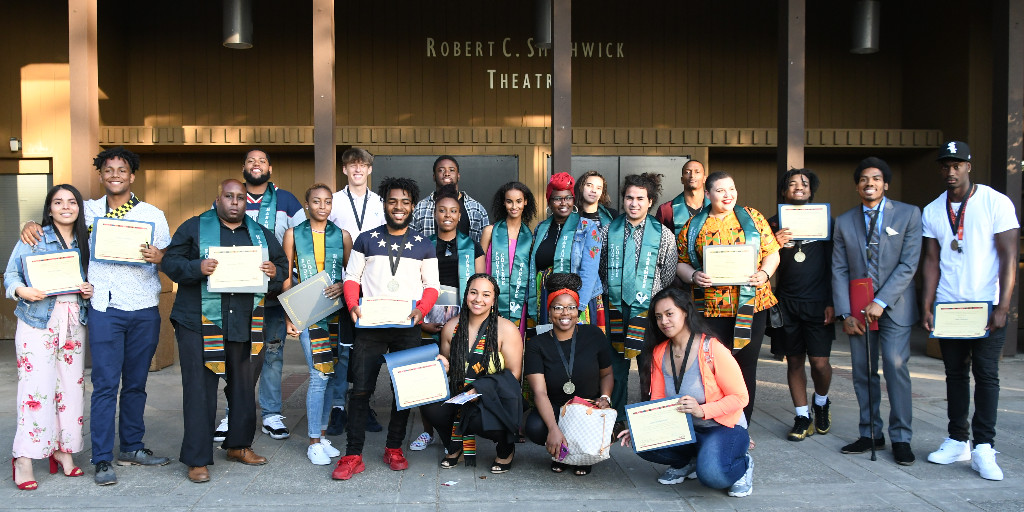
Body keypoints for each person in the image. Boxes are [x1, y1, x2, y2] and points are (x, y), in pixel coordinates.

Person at [19, 147, 172, 485]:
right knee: (104, 385)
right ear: (101, 176)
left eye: (122, 170)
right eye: (109, 170)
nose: (115, 174)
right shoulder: (87, 211)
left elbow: (168, 257)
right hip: (104, 308)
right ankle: (102, 458)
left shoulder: (152, 214)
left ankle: (131, 446)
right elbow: (53, 225)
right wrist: (30, 222)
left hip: (144, 307)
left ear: (132, 176)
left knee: (136, 384)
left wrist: (160, 256)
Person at [162, 179, 288, 483]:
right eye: (229, 197)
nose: (235, 202)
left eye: (240, 198)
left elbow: (282, 266)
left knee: (243, 387)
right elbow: (170, 261)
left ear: (246, 202)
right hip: (198, 322)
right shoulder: (193, 227)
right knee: (199, 389)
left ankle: (238, 445)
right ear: (218, 199)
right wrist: (197, 268)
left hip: (245, 320)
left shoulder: (259, 233)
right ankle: (197, 457)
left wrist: (275, 272)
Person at [921, 141, 1018, 480]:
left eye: (957, 164)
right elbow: (932, 260)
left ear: (968, 166)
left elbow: (1008, 256)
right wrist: (927, 303)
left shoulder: (995, 202)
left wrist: (1004, 305)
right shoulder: (933, 209)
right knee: (955, 374)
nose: (951, 171)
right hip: (949, 304)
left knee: (987, 374)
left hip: (987, 303)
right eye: (946, 165)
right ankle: (957, 438)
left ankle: (984, 447)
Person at [333, 177, 441, 481]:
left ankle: (394, 447)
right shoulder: (366, 239)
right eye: (393, 201)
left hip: (406, 326)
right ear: (384, 203)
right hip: (370, 325)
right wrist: (353, 305)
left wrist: (421, 310)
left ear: (413, 206)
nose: (399, 207)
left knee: (403, 391)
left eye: (405, 202)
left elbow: (431, 285)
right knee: (361, 391)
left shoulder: (423, 243)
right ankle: (353, 454)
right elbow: (352, 277)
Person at [617, 287, 753, 497]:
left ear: (685, 312)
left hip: (721, 427)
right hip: (683, 430)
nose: (664, 321)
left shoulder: (711, 348)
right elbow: (659, 400)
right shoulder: (659, 352)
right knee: (641, 442)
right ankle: (689, 461)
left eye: (670, 314)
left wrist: (702, 410)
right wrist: (639, 426)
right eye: (659, 316)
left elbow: (741, 396)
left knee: (713, 476)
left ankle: (743, 464)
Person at [832, 157, 921, 466]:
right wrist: (845, 313)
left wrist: (881, 301)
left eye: (876, 178)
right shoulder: (844, 221)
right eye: (864, 179)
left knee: (896, 369)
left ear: (886, 185)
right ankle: (870, 433)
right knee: (863, 372)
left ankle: (901, 438)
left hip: (895, 308)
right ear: (857, 186)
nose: (870, 183)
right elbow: (839, 270)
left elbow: (909, 264)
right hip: (859, 312)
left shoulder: (909, 214)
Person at [5, 185, 93, 490]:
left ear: (79, 208)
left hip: (73, 321)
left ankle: (63, 450)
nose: (65, 207)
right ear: (49, 207)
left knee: (70, 388)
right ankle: (24, 458)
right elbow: (10, 275)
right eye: (58, 202)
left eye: (72, 202)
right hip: (37, 320)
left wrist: (88, 289)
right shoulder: (35, 236)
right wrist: (21, 290)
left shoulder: (87, 239)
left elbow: (89, 279)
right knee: (35, 388)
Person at [676, 171, 780, 427]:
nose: (728, 195)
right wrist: (694, 276)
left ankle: (742, 426)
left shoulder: (753, 218)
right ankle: (716, 423)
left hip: (750, 306)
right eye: (720, 190)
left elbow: (772, 252)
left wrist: (765, 273)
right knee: (713, 368)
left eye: (731, 189)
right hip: (710, 309)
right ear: (708, 194)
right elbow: (680, 262)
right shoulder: (694, 225)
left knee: (745, 368)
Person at [223, 148, 306, 443]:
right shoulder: (231, 196)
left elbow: (302, 245)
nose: (256, 165)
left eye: (261, 161)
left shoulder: (287, 201)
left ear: (270, 168)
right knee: (236, 356)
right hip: (237, 296)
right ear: (243, 167)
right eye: (250, 161)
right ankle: (233, 412)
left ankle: (271, 413)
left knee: (272, 354)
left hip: (272, 295)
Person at [421, 274, 524, 472]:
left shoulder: (506, 330)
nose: (478, 299)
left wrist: (479, 389)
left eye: (486, 294)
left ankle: (505, 448)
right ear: (466, 294)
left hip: (495, 396)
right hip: (460, 394)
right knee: (431, 404)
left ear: (494, 300)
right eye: (473, 292)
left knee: (475, 416)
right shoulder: (451, 327)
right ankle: (454, 445)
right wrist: (444, 365)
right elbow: (448, 367)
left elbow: (513, 374)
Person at [281, 184, 353, 465]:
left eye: (327, 202)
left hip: (336, 313)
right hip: (309, 314)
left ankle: (322, 436)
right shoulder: (293, 234)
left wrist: (341, 284)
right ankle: (312, 440)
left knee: (332, 375)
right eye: (316, 201)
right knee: (319, 375)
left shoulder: (342, 236)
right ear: (307, 204)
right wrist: (290, 316)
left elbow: (353, 274)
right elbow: (287, 276)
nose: (322, 206)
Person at [598, 173, 677, 429]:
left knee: (649, 367)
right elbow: (601, 269)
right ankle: (617, 419)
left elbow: (667, 275)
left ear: (650, 201)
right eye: (629, 198)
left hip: (648, 312)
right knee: (616, 369)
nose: (634, 203)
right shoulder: (608, 231)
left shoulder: (663, 235)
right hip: (615, 310)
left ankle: (649, 420)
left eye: (640, 198)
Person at [411, 184, 485, 452]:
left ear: (460, 214)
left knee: (457, 374)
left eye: (453, 211)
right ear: (434, 213)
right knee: (425, 374)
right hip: (427, 311)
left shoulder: (471, 246)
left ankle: (454, 429)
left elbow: (479, 284)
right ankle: (427, 431)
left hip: (460, 315)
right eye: (442, 210)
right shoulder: (421, 244)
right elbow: (412, 282)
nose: (448, 215)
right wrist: (421, 321)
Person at [767, 169, 836, 441]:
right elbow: (761, 260)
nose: (799, 187)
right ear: (784, 191)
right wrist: (774, 244)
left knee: (819, 362)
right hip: (787, 303)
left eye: (805, 183)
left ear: (811, 191)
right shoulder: (773, 225)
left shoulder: (827, 222)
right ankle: (802, 415)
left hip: (818, 303)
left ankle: (821, 403)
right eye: (792, 183)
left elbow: (835, 265)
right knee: (794, 361)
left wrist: (832, 301)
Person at [523, 273, 613, 476]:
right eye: (558, 307)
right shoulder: (537, 344)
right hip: (556, 406)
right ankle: (561, 452)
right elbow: (539, 392)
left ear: (578, 310)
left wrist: (605, 397)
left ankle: (581, 455)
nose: (565, 313)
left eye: (571, 307)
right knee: (536, 427)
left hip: (588, 406)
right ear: (549, 310)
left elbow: (607, 374)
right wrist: (553, 429)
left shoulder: (594, 335)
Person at [326, 147, 386, 436]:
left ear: (370, 170)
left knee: (368, 350)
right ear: (344, 170)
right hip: (340, 286)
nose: (358, 170)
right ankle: (338, 406)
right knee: (342, 351)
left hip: (373, 288)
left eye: (363, 165)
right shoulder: (333, 201)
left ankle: (363, 404)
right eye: (352, 165)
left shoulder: (381, 203)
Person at [528, 172, 603, 328]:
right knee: (550, 348)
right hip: (547, 299)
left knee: (578, 348)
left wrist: (576, 307)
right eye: (557, 198)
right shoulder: (541, 229)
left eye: (568, 198)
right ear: (549, 202)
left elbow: (589, 270)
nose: (564, 203)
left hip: (580, 298)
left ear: (573, 200)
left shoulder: (588, 228)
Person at [480, 181, 537, 335]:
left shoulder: (530, 238)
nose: (514, 206)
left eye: (519, 201)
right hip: (490, 299)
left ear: (525, 202)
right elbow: (479, 267)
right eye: (509, 201)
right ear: (503, 203)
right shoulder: (490, 232)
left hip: (518, 300)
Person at [410, 155, 490, 242]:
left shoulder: (476, 208)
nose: (447, 173)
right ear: (434, 176)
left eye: (451, 170)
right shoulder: (421, 207)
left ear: (458, 175)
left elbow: (485, 246)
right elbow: (411, 242)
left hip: (466, 255)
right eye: (441, 170)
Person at [656, 159, 710, 238]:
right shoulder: (666, 209)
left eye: (697, 172)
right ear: (682, 180)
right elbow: (657, 240)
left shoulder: (716, 206)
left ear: (705, 179)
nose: (692, 175)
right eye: (687, 172)